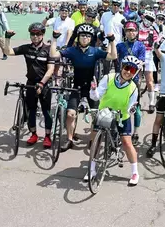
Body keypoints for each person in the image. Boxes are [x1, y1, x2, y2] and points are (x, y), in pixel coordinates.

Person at [50, 24, 118, 152]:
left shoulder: (94, 51)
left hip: (91, 88)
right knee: (70, 114)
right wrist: (54, 39)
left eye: (87, 36)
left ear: (91, 38)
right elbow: (53, 54)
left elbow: (113, 56)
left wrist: (112, 41)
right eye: (82, 35)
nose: (85, 38)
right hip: (77, 87)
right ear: (78, 37)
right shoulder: (72, 51)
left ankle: (92, 140)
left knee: (96, 116)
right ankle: (69, 139)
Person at [89, 55, 141, 186]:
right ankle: (91, 169)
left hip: (121, 116)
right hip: (104, 113)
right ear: (121, 67)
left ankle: (135, 172)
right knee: (95, 141)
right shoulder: (108, 78)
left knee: (127, 143)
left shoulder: (134, 88)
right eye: (126, 68)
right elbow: (96, 97)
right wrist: (93, 90)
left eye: (132, 70)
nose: (128, 72)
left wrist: (131, 110)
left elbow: (131, 107)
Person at [4, 23, 55, 148]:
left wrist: (42, 84)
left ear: (43, 35)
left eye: (38, 34)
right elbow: (8, 52)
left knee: (46, 111)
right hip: (31, 83)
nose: (35, 36)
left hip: (44, 84)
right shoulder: (26, 48)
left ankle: (47, 136)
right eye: (33, 34)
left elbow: (51, 69)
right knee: (31, 110)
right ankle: (34, 134)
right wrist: (7, 38)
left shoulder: (48, 49)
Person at [116, 21, 146, 145]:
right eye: (128, 30)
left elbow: (142, 61)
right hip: (121, 79)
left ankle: (136, 132)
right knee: (118, 106)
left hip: (134, 80)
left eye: (133, 30)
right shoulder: (120, 45)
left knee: (136, 108)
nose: (131, 33)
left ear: (137, 32)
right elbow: (113, 56)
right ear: (125, 32)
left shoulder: (140, 46)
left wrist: (134, 71)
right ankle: (118, 131)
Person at [138, 10, 159, 113]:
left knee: (150, 81)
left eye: (151, 20)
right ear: (143, 17)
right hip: (137, 55)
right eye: (147, 18)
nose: (148, 21)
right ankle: (136, 101)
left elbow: (156, 41)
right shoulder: (137, 27)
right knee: (136, 81)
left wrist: (157, 44)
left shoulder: (153, 30)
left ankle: (151, 102)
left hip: (148, 56)